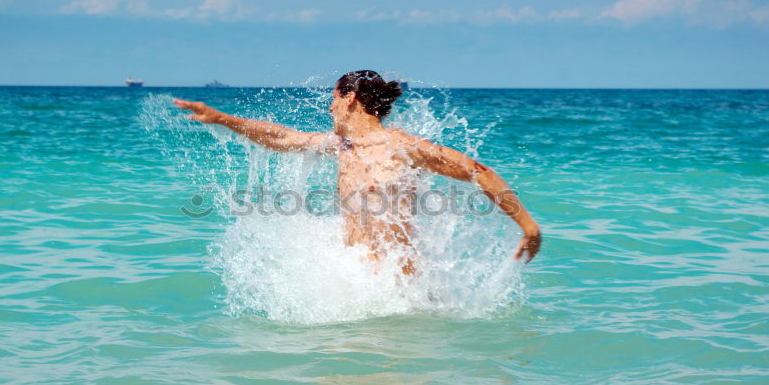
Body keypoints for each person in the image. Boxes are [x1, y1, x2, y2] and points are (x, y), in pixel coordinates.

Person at [173, 70, 541, 275]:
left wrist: (529, 227)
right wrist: (222, 119)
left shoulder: (403, 148)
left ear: (349, 98)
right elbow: (282, 138)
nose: (329, 107)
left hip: (400, 290)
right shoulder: (340, 146)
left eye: (333, 99)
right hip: (359, 284)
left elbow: (480, 172)